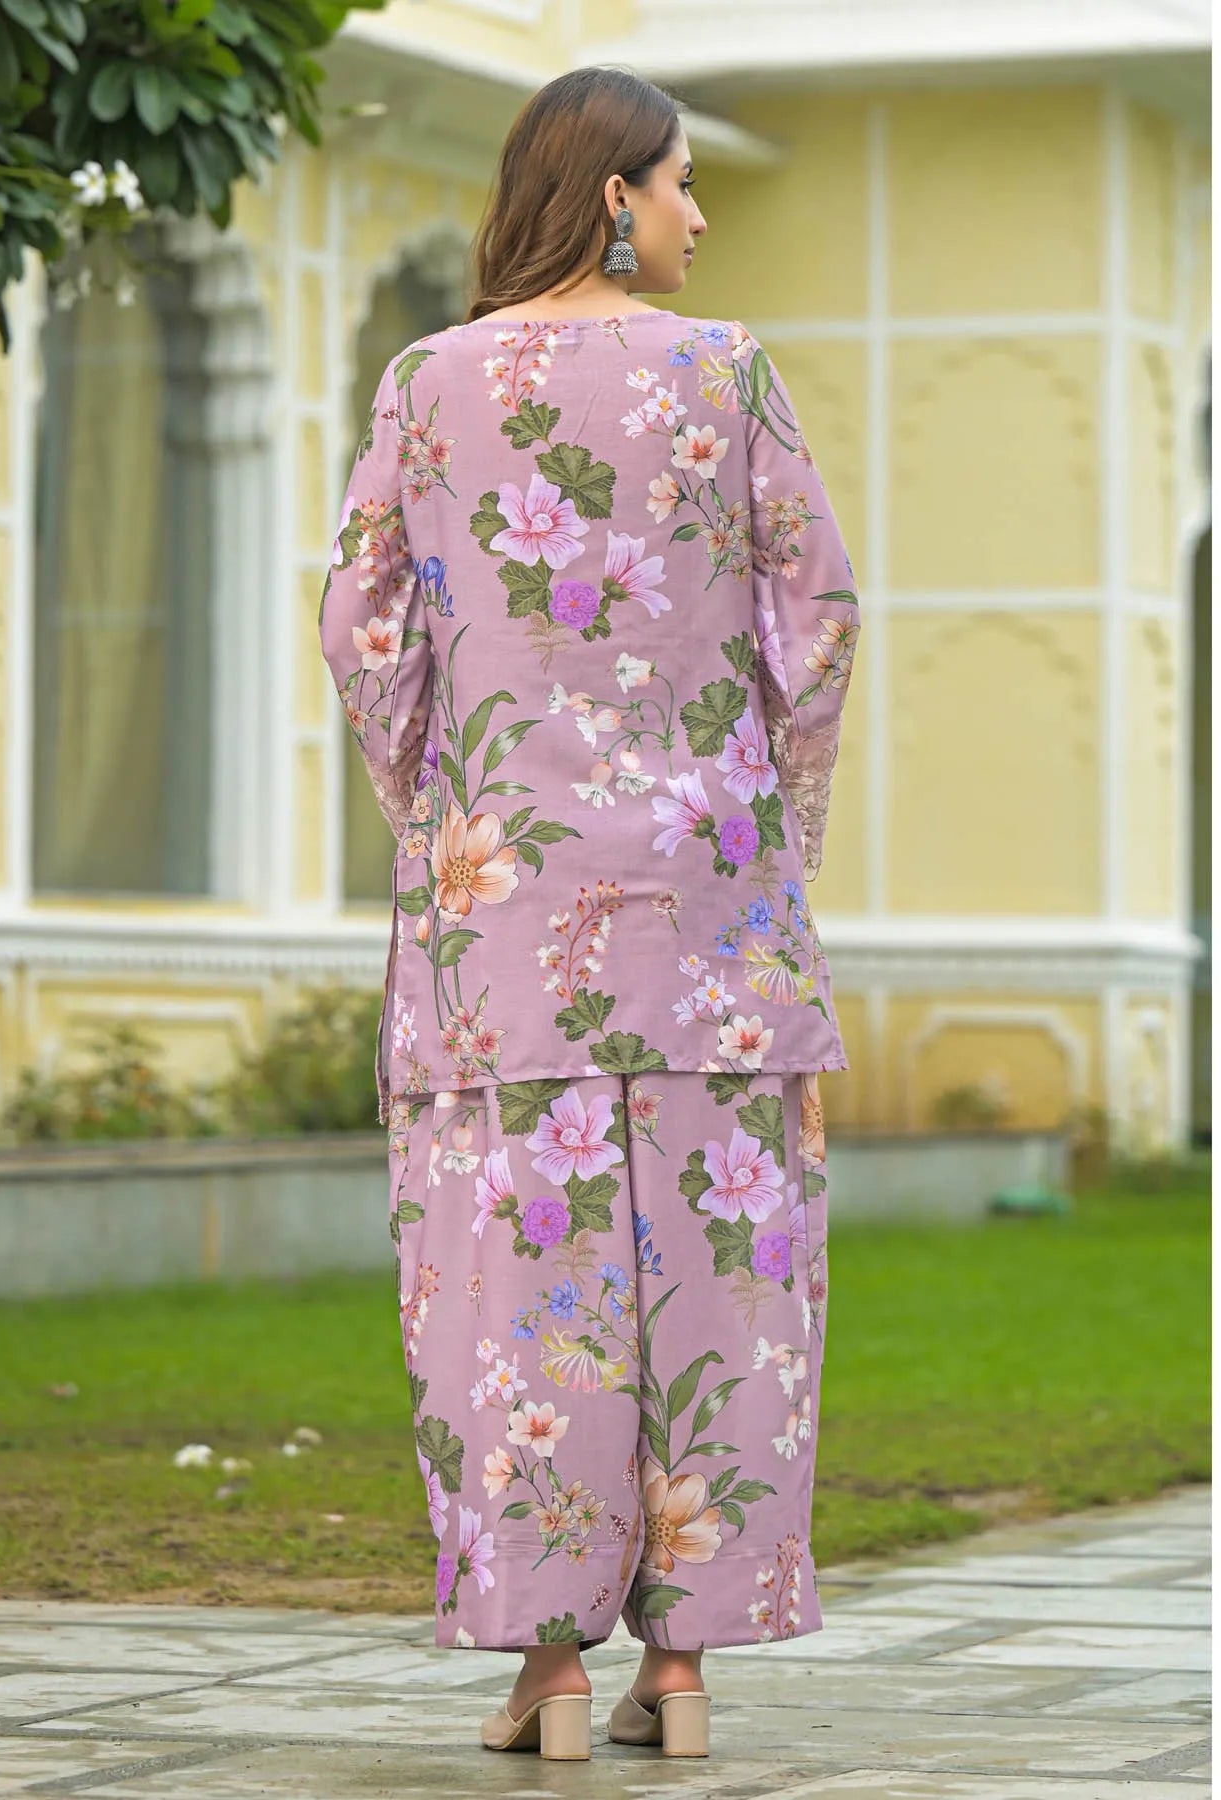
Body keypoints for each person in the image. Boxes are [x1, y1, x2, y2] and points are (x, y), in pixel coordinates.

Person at [318, 64, 860, 1763]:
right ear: (614, 191)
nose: (703, 215)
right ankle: (682, 1669)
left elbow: (362, 630)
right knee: (718, 1288)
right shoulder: (731, 374)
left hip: (502, 928)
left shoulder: (427, 385)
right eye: (686, 183)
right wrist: (774, 830)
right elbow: (819, 619)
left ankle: (552, 1664)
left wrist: (444, 819)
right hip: (714, 919)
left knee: (511, 1294)